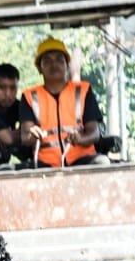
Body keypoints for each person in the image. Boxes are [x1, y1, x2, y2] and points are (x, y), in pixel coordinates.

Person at [19, 38, 108, 168]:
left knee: (102, 162)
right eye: (47, 61)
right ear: (39, 68)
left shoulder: (83, 90)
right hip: (44, 164)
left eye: (59, 60)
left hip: (82, 159)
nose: (54, 65)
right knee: (4, 171)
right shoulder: (29, 96)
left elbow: (94, 133)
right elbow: (25, 137)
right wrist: (32, 135)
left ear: (67, 65)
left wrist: (81, 139)